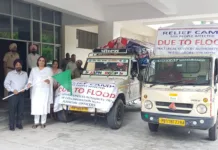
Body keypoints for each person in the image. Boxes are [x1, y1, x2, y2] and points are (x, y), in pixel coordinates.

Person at [27, 56, 53, 129]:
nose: (41, 62)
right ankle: (36, 122)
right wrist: (29, 83)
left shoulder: (48, 70)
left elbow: (51, 79)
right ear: (37, 61)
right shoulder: (34, 70)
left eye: (43, 61)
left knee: (43, 105)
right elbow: (30, 79)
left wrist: (49, 81)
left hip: (44, 91)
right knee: (36, 106)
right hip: (36, 91)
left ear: (45, 62)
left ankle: (43, 122)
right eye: (40, 60)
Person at [4, 59, 28, 131]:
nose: (18, 66)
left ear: (21, 66)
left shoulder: (25, 74)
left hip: (21, 94)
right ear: (14, 66)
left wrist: (25, 88)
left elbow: (27, 83)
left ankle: (19, 123)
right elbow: (6, 83)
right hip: (13, 94)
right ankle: (11, 125)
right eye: (17, 65)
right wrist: (12, 90)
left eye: (20, 65)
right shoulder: (10, 74)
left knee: (20, 110)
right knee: (12, 110)